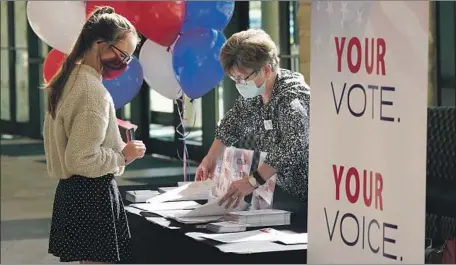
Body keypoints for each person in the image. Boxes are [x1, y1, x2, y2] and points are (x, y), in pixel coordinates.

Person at [43, 6, 146, 263]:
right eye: (123, 54)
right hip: (92, 195)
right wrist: (123, 155)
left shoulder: (69, 79)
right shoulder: (92, 92)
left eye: (129, 58)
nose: (124, 63)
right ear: (100, 44)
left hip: (73, 193)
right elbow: (81, 159)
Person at [195, 29, 310, 222]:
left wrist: (252, 181)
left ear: (266, 69)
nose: (240, 83)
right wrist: (210, 158)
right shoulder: (256, 94)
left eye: (243, 78)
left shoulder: (292, 98)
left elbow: (291, 147)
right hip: (280, 188)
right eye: (234, 79)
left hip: (310, 193)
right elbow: (232, 123)